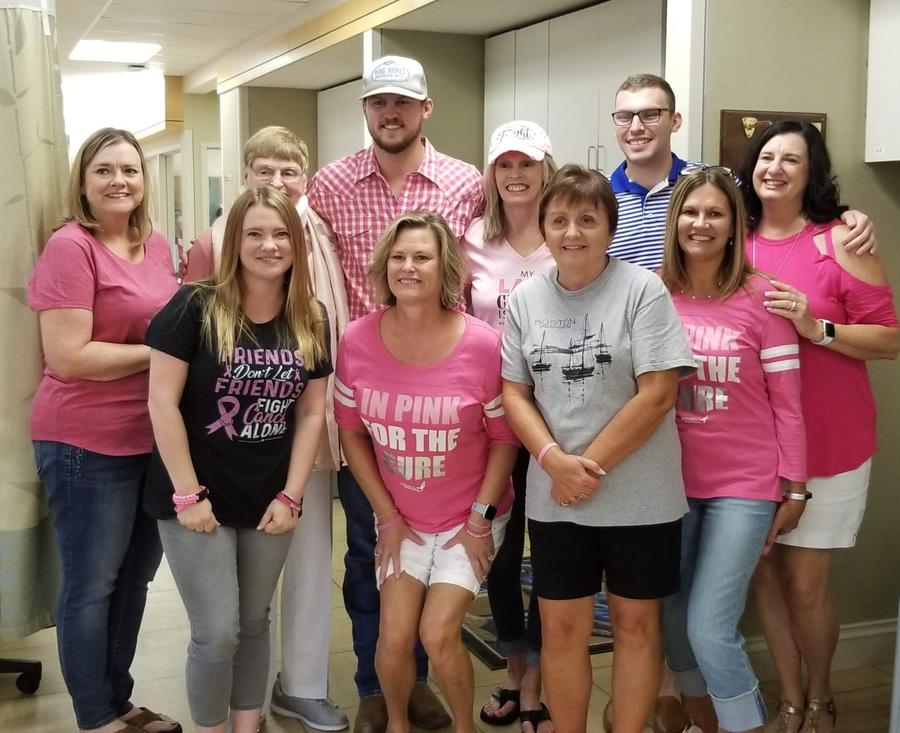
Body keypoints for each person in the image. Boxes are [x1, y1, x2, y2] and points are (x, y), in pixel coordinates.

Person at [307, 54, 482, 733]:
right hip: (371, 409)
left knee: (440, 559)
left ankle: (422, 677)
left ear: (426, 109)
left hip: (450, 406)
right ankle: (375, 684)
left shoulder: (466, 183)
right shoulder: (329, 185)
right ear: (366, 109)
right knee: (368, 553)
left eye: (402, 103)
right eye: (378, 102)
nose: (390, 113)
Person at [501, 164, 697, 733]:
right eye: (558, 220)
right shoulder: (525, 300)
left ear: (610, 227)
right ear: (543, 228)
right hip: (557, 498)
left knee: (637, 628)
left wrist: (587, 468)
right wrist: (554, 463)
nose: (572, 233)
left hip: (642, 497)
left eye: (587, 219)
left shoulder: (643, 290)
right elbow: (513, 393)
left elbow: (658, 392)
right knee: (562, 631)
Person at [144, 187, 332, 733]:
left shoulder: (310, 316)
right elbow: (161, 402)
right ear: (234, 243)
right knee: (217, 630)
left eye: (280, 234)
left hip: (269, 497)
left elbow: (312, 413)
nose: (269, 245)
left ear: (296, 244)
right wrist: (187, 494)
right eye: (254, 233)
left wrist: (292, 494)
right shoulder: (194, 306)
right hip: (194, 494)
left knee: (254, 623)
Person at [185, 125, 350, 731]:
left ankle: (298, 687)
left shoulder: (318, 242)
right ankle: (224, 710)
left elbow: (320, 348)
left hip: (304, 434)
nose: (278, 182)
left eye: (289, 172)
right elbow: (188, 362)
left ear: (305, 179)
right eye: (265, 170)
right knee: (229, 614)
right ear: (244, 175)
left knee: (304, 569)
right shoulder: (214, 244)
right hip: (225, 451)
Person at [741, 121, 899, 733]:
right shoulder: (735, 242)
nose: (775, 168)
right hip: (753, 447)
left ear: (813, 173)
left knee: (807, 584)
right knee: (768, 579)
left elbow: (888, 340)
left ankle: (820, 694)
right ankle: (786, 695)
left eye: (792, 160)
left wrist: (819, 329)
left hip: (831, 443)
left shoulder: (841, 241)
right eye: (766, 157)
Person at [334, 211, 518, 733]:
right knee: (393, 636)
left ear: (446, 269)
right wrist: (387, 517)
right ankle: (397, 723)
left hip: (470, 515)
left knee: (438, 634)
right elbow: (351, 434)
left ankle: (462, 727)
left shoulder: (482, 344)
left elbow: (505, 440)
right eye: (398, 257)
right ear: (383, 267)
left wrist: (480, 519)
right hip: (403, 520)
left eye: (422, 257)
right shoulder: (357, 339)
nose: (408, 267)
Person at [27, 128, 181, 733]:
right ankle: (95, 716)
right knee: (92, 584)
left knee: (136, 577)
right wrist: (160, 351)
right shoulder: (71, 248)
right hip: (84, 441)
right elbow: (68, 357)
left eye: (130, 170)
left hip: (151, 438)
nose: (120, 181)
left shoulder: (158, 246)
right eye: (104, 170)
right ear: (84, 182)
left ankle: (121, 700)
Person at [658, 168, 808, 733]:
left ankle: (746, 724)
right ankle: (705, 720)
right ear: (676, 222)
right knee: (673, 619)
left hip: (744, 487)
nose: (701, 223)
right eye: (691, 212)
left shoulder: (764, 298)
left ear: (734, 226)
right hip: (668, 486)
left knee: (709, 626)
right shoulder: (654, 294)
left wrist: (795, 483)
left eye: (715, 213)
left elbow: (789, 404)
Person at [462, 120, 557, 733]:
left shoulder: (568, 235)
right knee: (497, 552)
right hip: (490, 420)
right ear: (492, 176)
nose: (515, 175)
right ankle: (513, 668)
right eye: (504, 165)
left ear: (547, 168)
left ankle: (539, 685)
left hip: (556, 417)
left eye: (526, 163)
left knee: (550, 553)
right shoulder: (471, 238)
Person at [607, 74, 876, 270]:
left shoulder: (719, 184)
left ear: (674, 121)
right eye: (624, 116)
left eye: (650, 114)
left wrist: (843, 216)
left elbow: (782, 209)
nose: (636, 127)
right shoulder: (599, 198)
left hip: (708, 335)